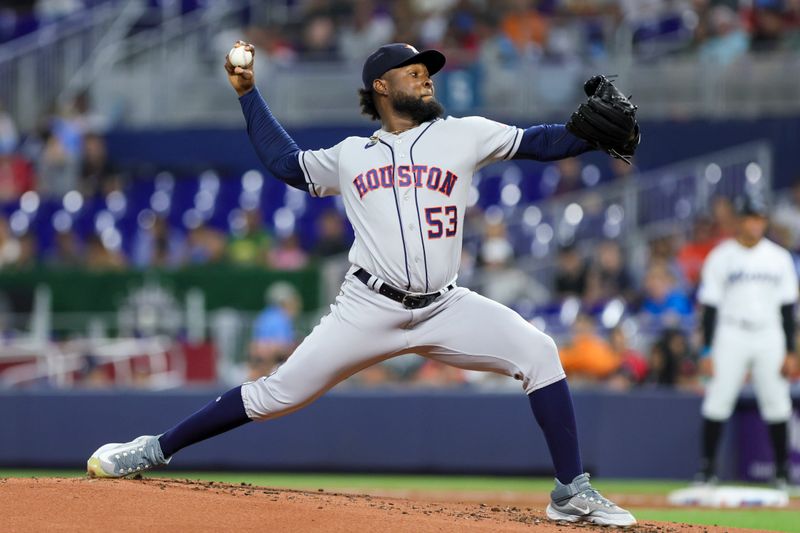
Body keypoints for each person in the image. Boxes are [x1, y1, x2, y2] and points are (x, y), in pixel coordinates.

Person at [86, 41, 636, 526]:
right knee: (276, 394)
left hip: (446, 306)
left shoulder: (462, 134)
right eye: (413, 70)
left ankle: (570, 492)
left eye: (428, 70)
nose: (426, 75)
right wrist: (248, 92)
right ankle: (154, 449)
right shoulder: (352, 155)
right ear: (381, 85)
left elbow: (541, 142)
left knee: (539, 351)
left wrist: (586, 138)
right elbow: (284, 162)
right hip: (367, 306)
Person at [695, 194, 798, 489]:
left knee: (777, 402)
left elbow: (788, 308)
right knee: (718, 399)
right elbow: (710, 307)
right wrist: (707, 349)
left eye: (760, 218)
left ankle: (781, 472)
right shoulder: (721, 256)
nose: (755, 223)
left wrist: (791, 350)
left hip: (770, 333)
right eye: (750, 217)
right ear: (740, 220)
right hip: (731, 332)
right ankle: (707, 471)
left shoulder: (779, 257)